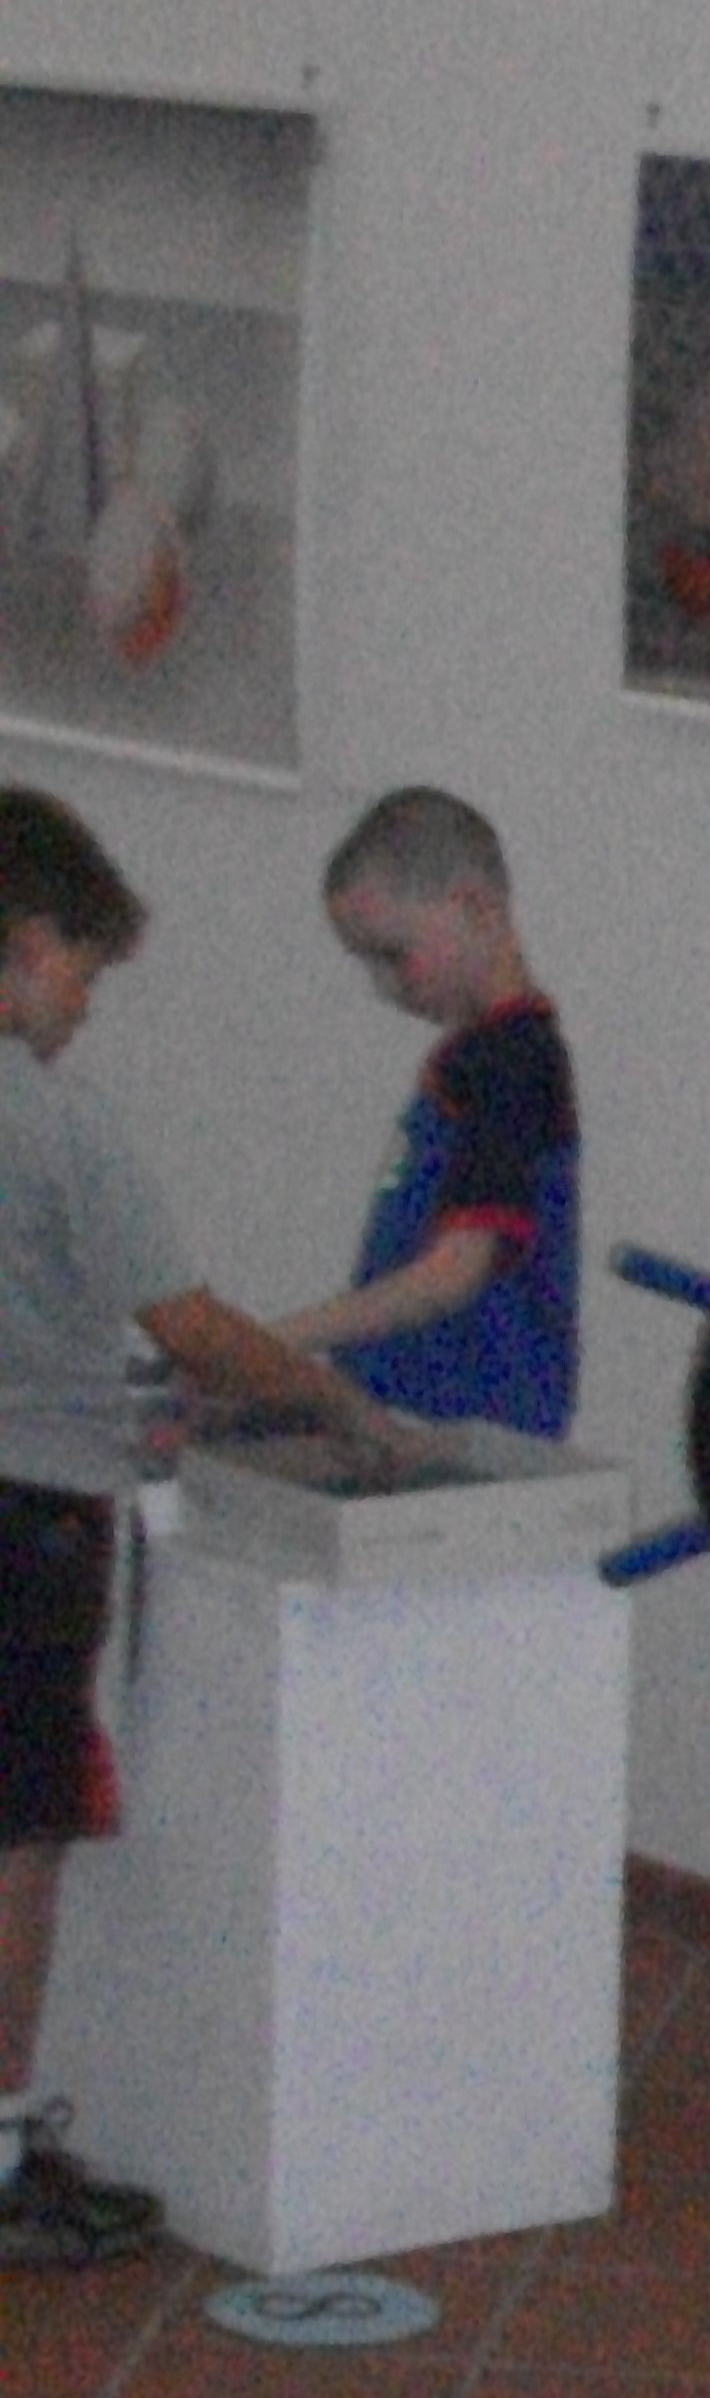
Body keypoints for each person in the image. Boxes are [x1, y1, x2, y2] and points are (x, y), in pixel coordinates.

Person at [0, 787, 416, 2264]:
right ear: (27, 943)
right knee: (19, 1834)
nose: (84, 1008)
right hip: (28, 1520)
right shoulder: (56, 1124)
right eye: (83, 973)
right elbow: (184, 1324)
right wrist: (329, 1397)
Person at [271, 788, 578, 1436]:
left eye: (393, 955)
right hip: (410, 1421)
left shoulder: (513, 1066)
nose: (384, 988)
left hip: (476, 1436)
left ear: (475, 908)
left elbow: (453, 1273)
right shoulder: (473, 1059)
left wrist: (273, 1345)